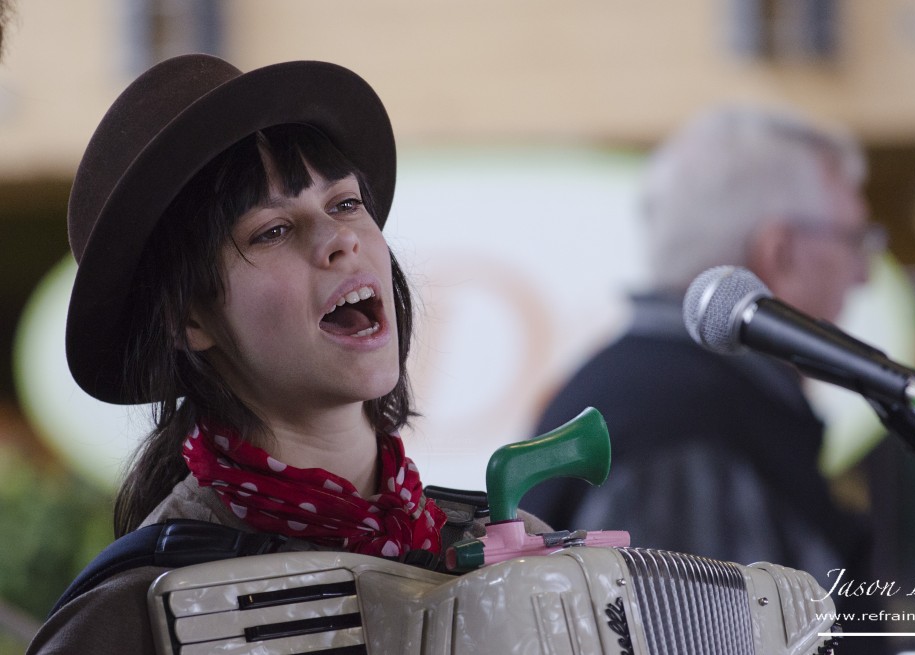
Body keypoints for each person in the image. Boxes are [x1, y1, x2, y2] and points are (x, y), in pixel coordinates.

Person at [27, 53, 547, 654]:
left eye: (346, 203)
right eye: (272, 230)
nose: (339, 239)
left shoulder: (518, 554)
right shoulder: (133, 616)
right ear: (190, 319)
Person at [522, 104, 881, 587]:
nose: (864, 274)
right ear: (781, 253)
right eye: (854, 241)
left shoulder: (651, 394)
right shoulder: (686, 428)